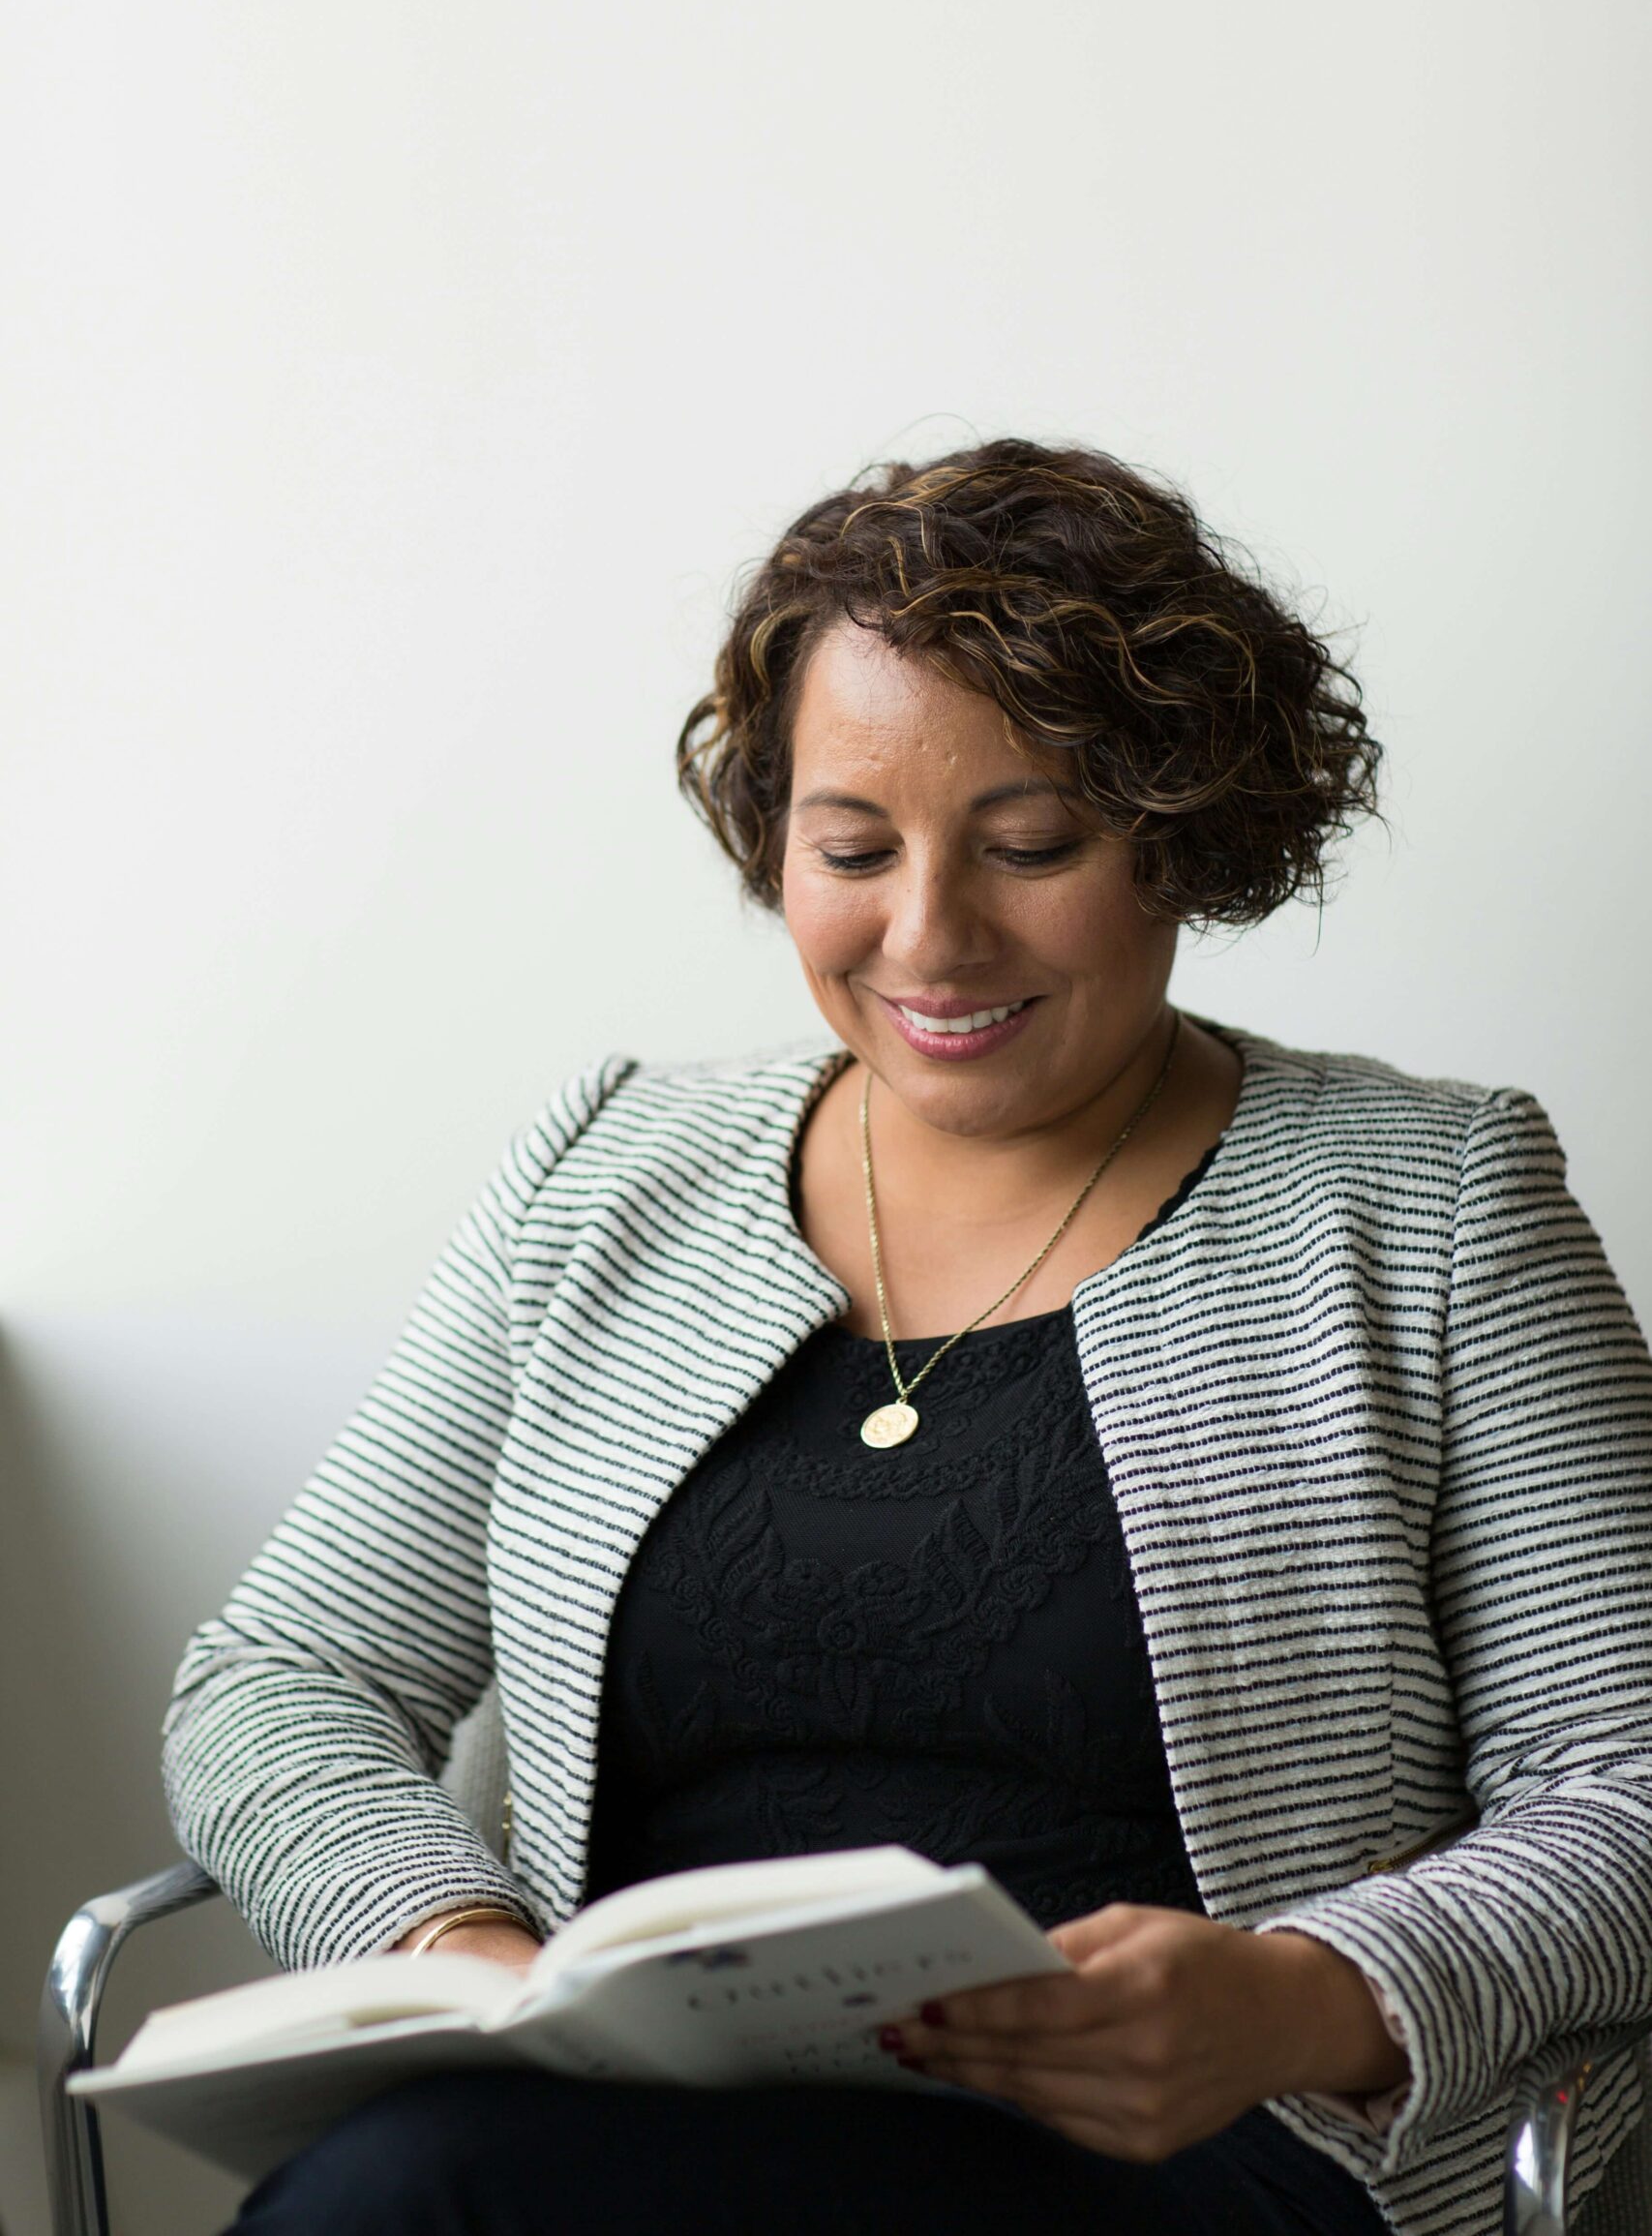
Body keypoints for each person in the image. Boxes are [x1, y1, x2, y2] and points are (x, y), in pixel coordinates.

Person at [164, 439, 1652, 2236]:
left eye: (1031, 845)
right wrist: (463, 1953)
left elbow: (1628, 1784)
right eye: (849, 848)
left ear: (1181, 833)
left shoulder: (1428, 1206)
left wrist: (1307, 2000)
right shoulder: (608, 1170)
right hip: (628, 2132)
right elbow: (280, 1680)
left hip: (1184, 2150)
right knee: (388, 2202)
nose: (929, 939)